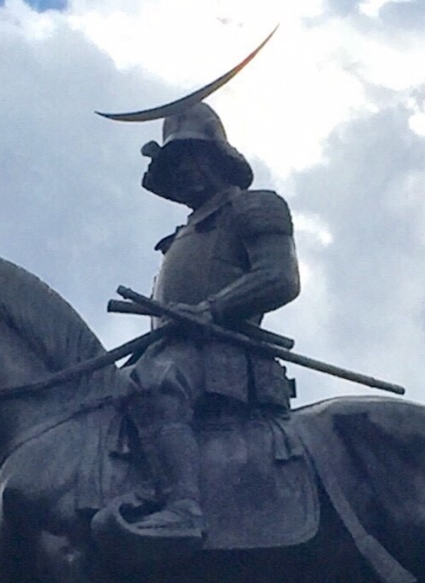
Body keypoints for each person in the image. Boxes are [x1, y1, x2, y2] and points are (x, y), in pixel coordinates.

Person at [98, 102, 301, 552]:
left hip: (225, 355)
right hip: (172, 350)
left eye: (190, 158)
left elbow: (278, 277)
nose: (183, 172)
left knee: (156, 384)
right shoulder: (179, 238)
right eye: (173, 166)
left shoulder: (254, 207)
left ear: (217, 157)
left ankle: (183, 508)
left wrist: (213, 309)